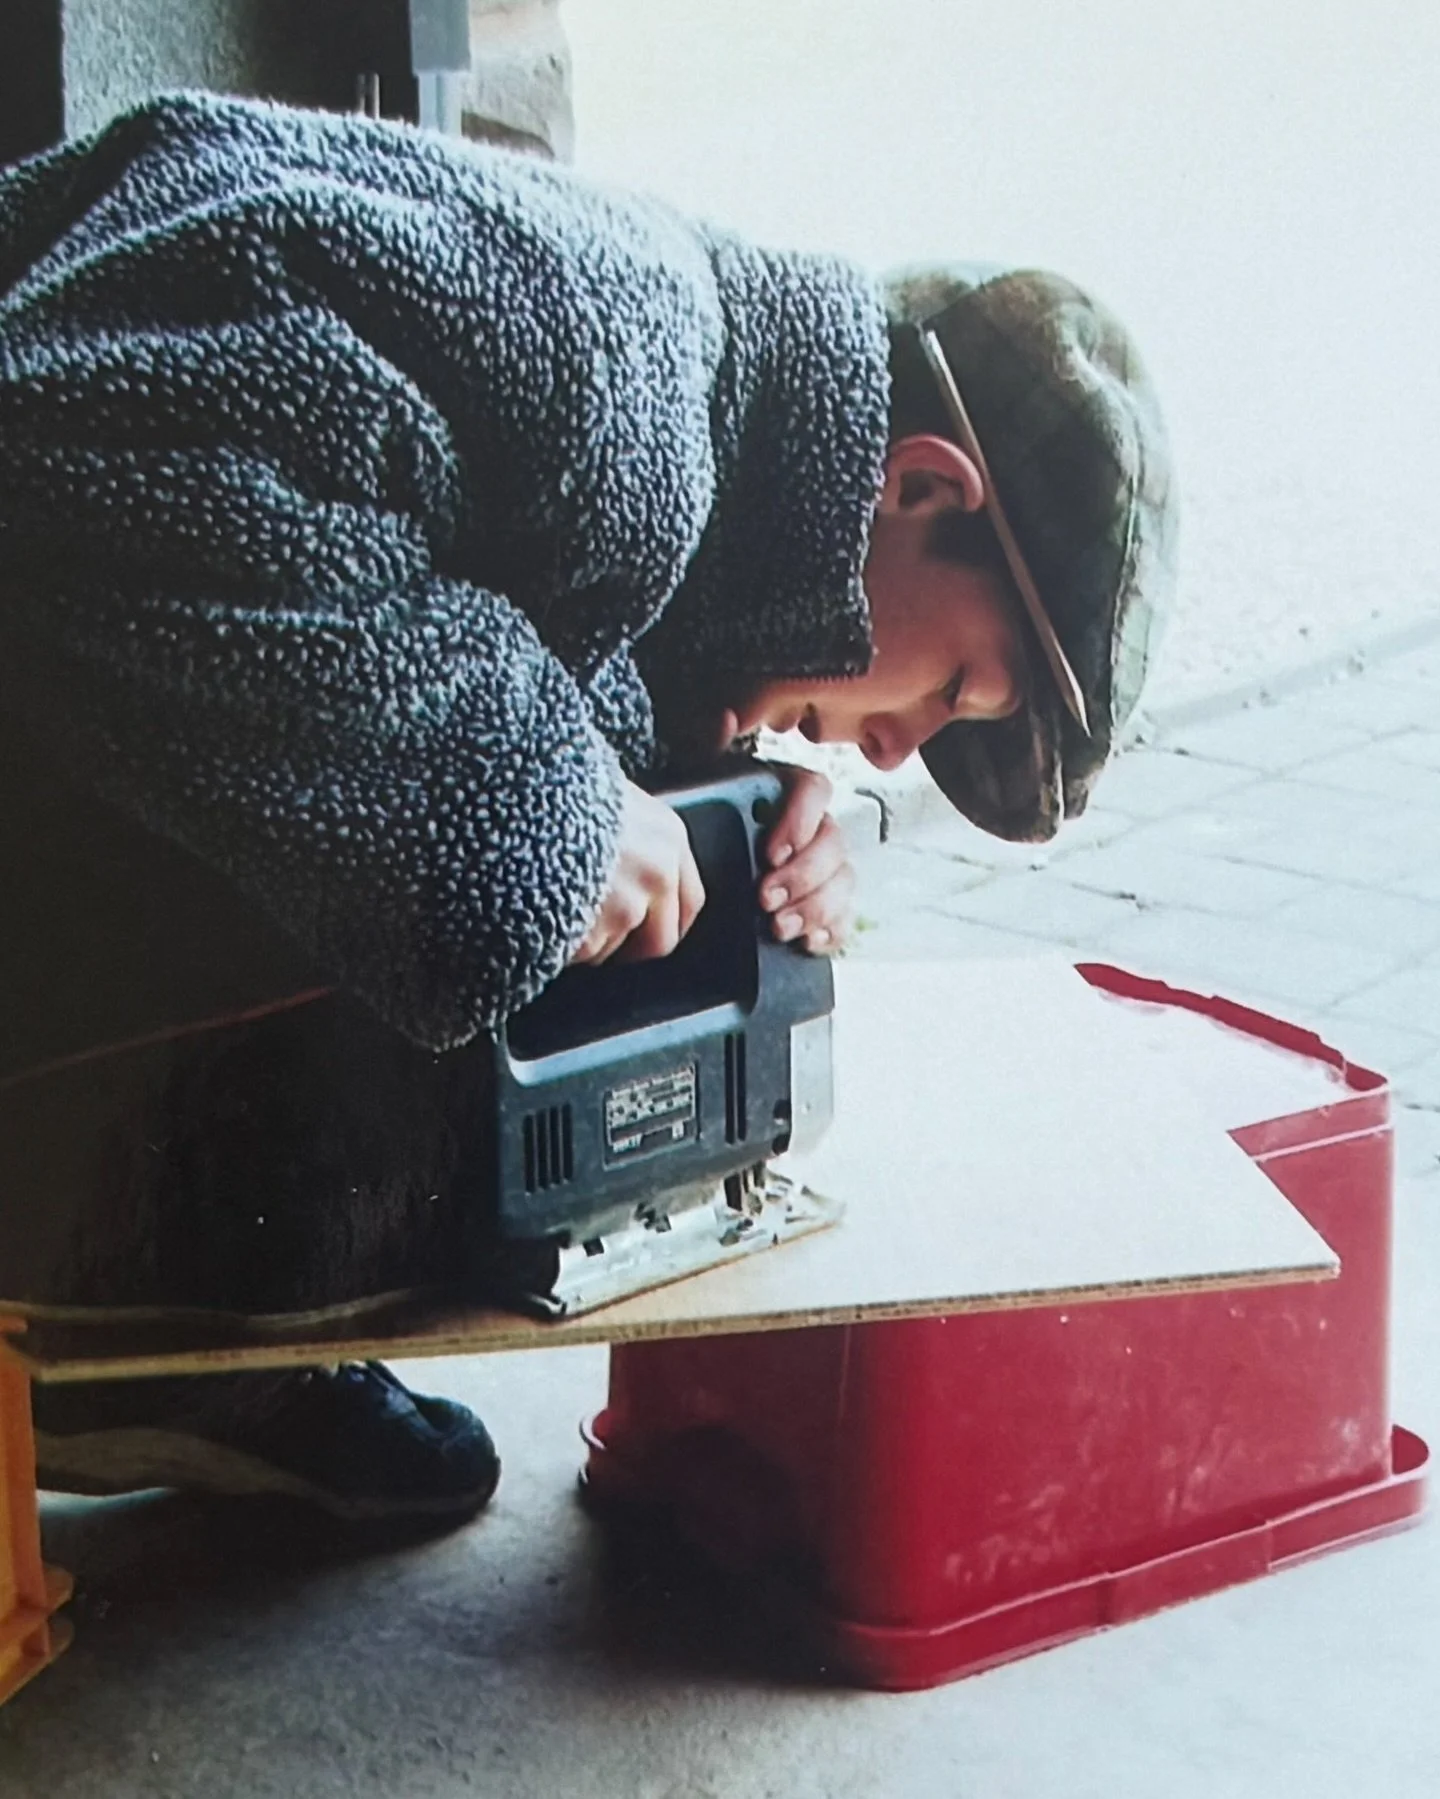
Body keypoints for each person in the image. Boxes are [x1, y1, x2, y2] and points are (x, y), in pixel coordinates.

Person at [0, 93, 1177, 1528]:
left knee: (602, 889)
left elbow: (512, 614)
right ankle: (156, 1345)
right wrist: (547, 791)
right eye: (955, 697)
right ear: (924, 487)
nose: (899, 744)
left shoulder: (697, 408)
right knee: (507, 891)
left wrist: (720, 793)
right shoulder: (615, 354)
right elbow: (88, 436)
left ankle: (179, 1350)